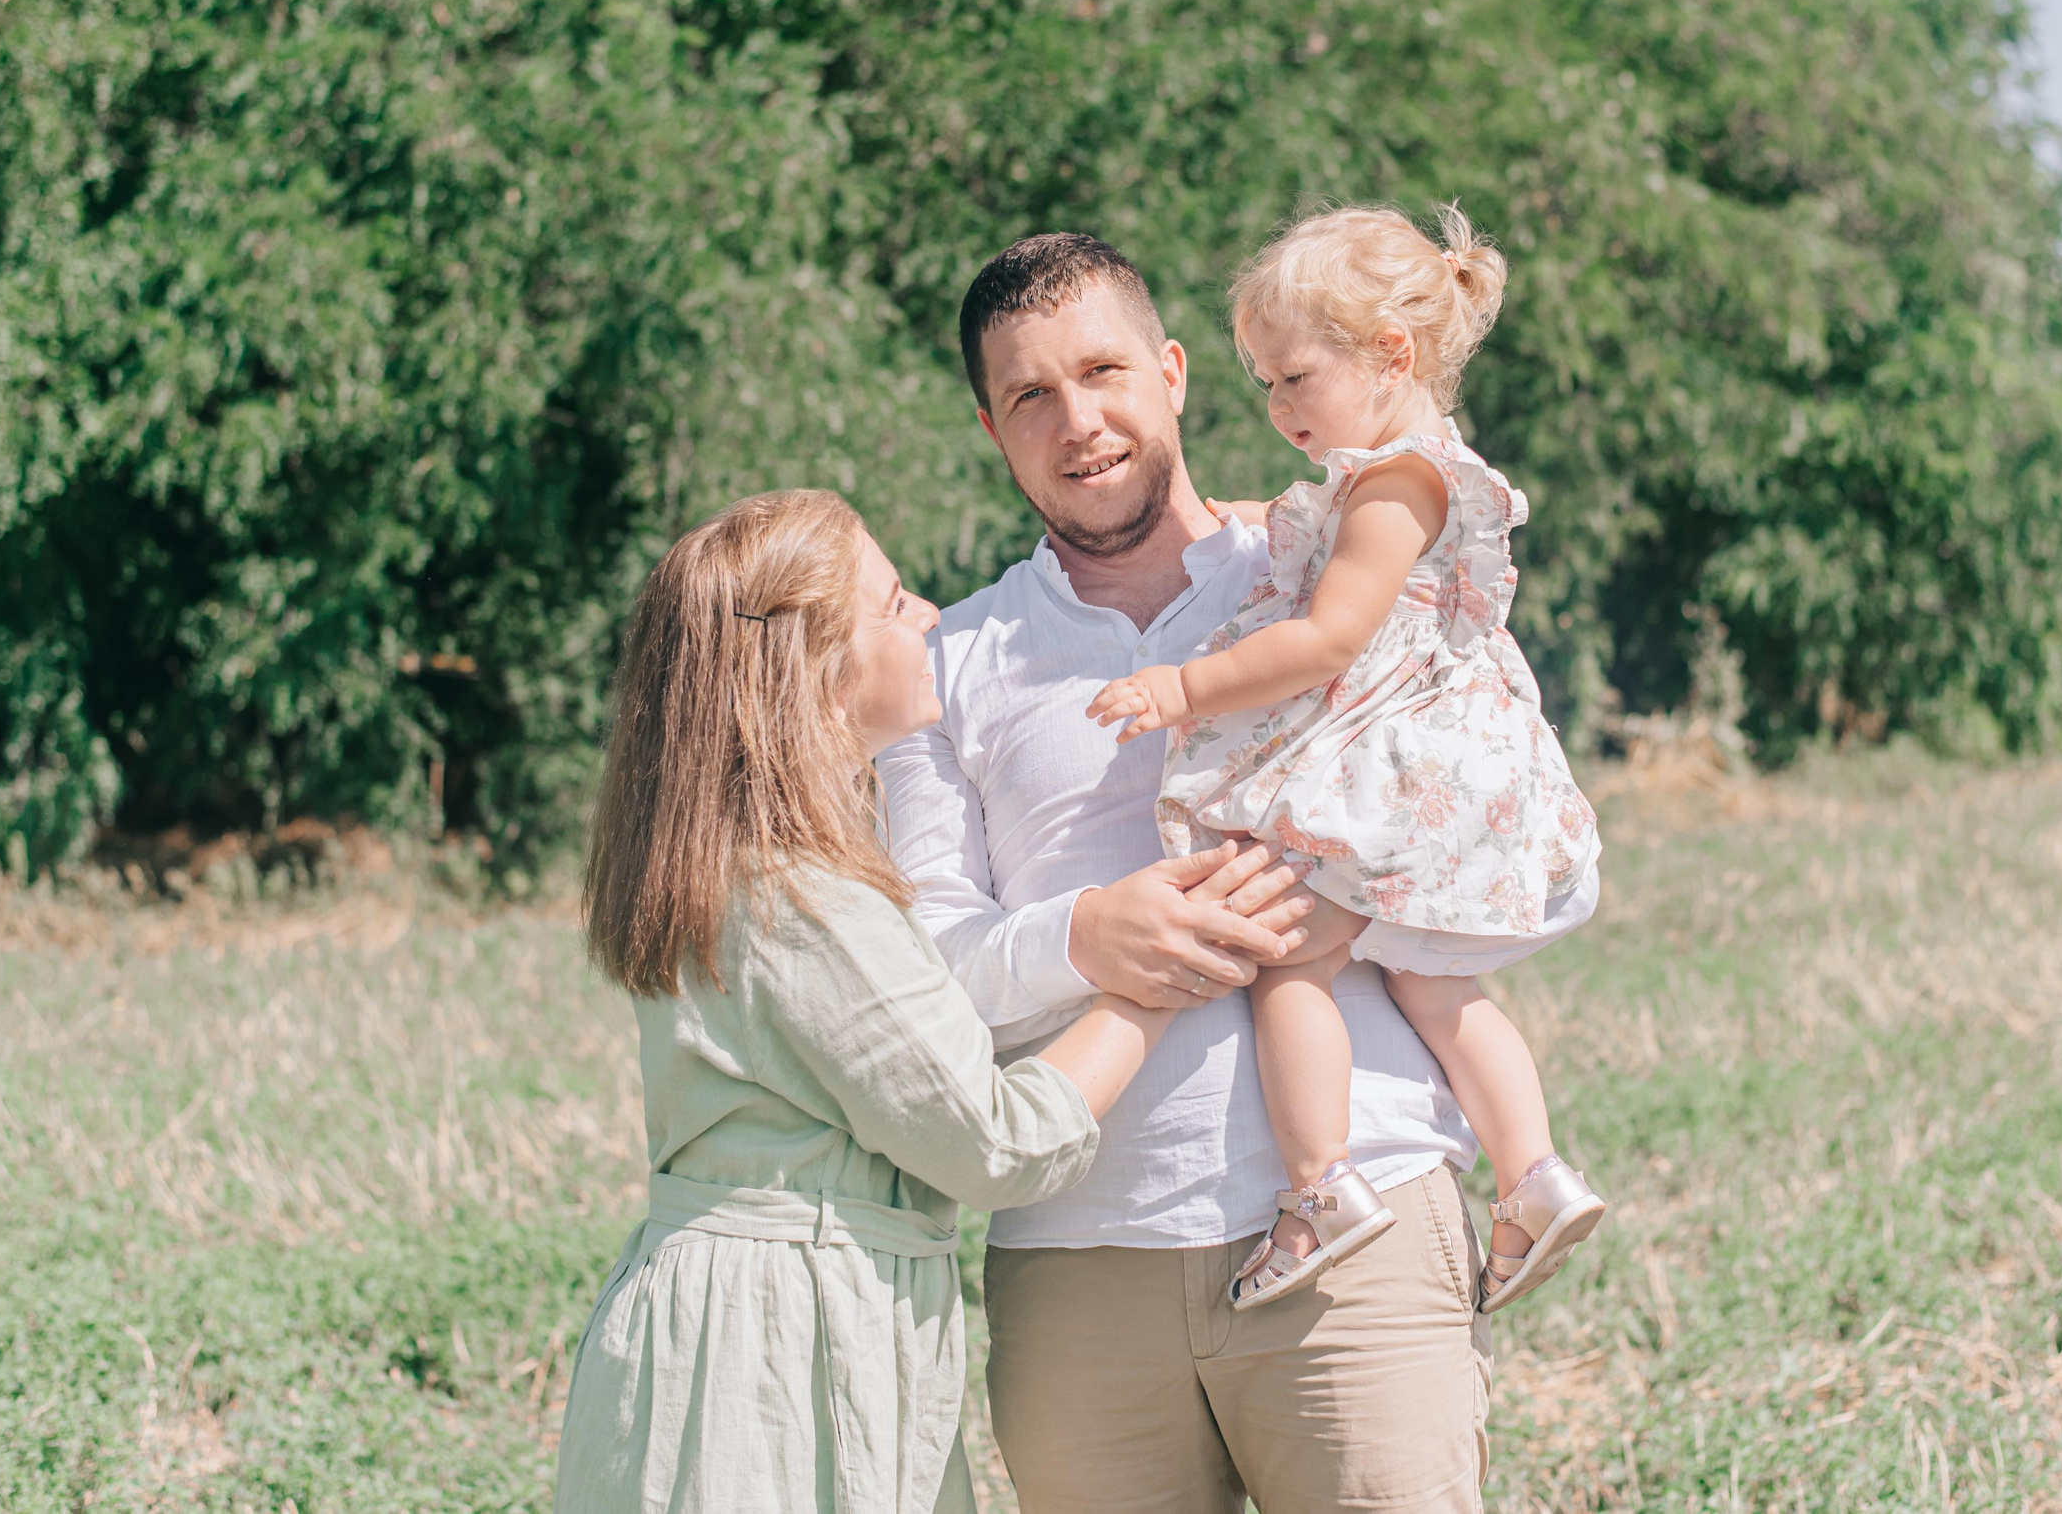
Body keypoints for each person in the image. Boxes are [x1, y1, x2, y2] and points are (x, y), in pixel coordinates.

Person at [876, 234, 1596, 1513]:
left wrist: (1354, 898)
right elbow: (926, 974)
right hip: (1075, 1251)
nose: (1078, 420)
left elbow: (1494, 803)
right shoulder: (951, 658)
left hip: (1354, 1231)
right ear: (991, 427)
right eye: (1031, 396)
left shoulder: (1333, 570)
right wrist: (1090, 934)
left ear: (1171, 373)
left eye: (1104, 371)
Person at [555, 488, 1220, 1514]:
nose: (928, 619)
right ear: (819, 667)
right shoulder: (802, 895)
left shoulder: (747, 869)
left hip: (739, 1315)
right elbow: (991, 1139)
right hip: (775, 1335)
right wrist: (1158, 980)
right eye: (895, 599)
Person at [1088, 204, 1606, 1315]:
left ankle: (1319, 1185)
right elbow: (1298, 523)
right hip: (1443, 770)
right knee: (1431, 978)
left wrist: (1178, 687)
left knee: (1287, 963)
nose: (1276, 406)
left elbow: (1328, 635)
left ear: (1391, 354)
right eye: (1265, 383)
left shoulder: (1397, 483)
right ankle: (1533, 1172)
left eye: (1292, 378)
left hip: (1399, 767)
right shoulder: (1387, 475)